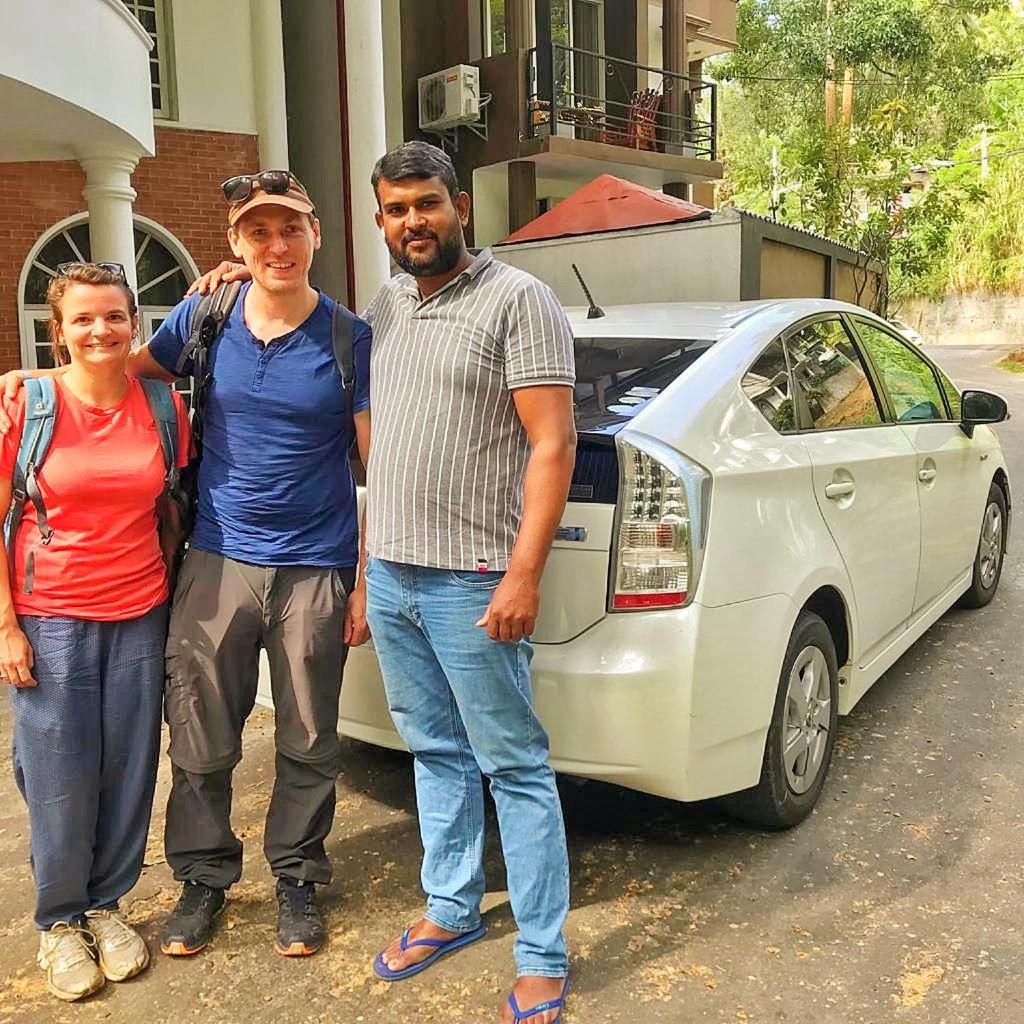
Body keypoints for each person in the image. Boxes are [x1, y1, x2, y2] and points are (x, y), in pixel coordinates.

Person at [178, 143, 576, 1023]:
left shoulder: (520, 301)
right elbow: (367, 449)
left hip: (474, 579)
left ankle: (544, 951)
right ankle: (451, 908)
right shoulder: (384, 308)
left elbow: (553, 443)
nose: (412, 223)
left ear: (458, 205)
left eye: (426, 205)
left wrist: (523, 573)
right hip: (391, 577)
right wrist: (365, 580)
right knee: (434, 753)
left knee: (513, 764)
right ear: (376, 220)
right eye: (394, 210)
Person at [0, 172, 372, 960]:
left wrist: (367, 576)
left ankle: (298, 877)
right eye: (258, 233)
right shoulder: (203, 317)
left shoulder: (349, 337)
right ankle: (203, 877)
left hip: (317, 563)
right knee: (199, 736)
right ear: (234, 244)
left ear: (316, 236)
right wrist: (34, 379)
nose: (276, 246)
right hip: (215, 556)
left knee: (309, 735)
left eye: (290, 229)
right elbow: (115, 371)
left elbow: (378, 465)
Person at [0, 263, 190, 1001]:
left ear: (133, 324)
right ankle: (59, 920)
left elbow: (170, 504)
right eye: (83, 319)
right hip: (51, 619)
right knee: (56, 775)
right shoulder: (28, 404)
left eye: (113, 316)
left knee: (129, 768)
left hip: (140, 609)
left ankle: (108, 904)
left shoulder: (162, 405)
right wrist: (7, 627)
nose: (100, 330)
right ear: (59, 332)